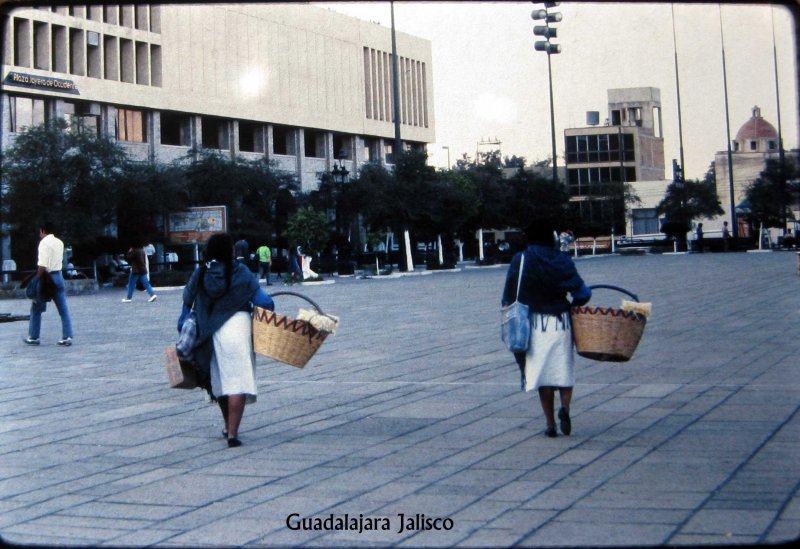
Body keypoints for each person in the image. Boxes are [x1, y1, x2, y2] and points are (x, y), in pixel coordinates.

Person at [179, 233, 274, 448]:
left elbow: (186, 301)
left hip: (208, 332)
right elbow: (263, 301)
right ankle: (232, 434)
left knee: (218, 381)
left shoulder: (201, 273)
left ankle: (226, 424)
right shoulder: (241, 272)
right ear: (230, 251)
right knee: (237, 381)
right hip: (237, 329)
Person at [501, 218, 591, 438]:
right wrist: (573, 306)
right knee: (563, 370)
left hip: (533, 325)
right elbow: (583, 293)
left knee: (543, 375)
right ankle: (566, 408)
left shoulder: (520, 260)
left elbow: (508, 297)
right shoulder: (562, 260)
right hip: (560, 322)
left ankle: (550, 425)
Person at [24, 222, 74, 347]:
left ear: (42, 231)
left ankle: (34, 336)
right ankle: (67, 336)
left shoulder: (43, 243)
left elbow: (42, 265)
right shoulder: (60, 242)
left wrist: (36, 279)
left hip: (46, 277)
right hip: (58, 275)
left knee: (36, 307)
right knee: (63, 308)